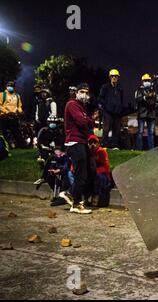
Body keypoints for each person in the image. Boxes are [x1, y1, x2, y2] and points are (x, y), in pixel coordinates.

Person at [59, 83, 98, 214]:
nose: (84, 95)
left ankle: (69, 193)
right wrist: (89, 119)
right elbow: (82, 122)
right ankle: (75, 203)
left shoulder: (82, 107)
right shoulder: (72, 104)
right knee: (81, 174)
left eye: (87, 92)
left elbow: (86, 123)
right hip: (74, 143)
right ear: (76, 92)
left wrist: (88, 120)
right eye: (82, 91)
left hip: (82, 142)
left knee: (88, 170)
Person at [98, 69, 124, 150]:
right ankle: (103, 145)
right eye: (112, 76)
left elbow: (121, 100)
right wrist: (105, 106)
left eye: (116, 76)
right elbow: (100, 98)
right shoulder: (105, 87)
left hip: (117, 113)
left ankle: (114, 146)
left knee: (116, 130)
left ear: (118, 77)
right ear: (110, 77)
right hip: (108, 112)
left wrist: (120, 109)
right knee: (106, 129)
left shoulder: (120, 88)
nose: (114, 78)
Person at [134, 74, 158, 150]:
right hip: (142, 114)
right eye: (145, 81)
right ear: (142, 82)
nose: (147, 82)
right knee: (140, 132)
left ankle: (151, 150)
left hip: (151, 114)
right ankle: (139, 149)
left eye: (148, 80)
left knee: (151, 133)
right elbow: (137, 99)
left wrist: (154, 103)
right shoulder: (139, 90)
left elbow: (157, 101)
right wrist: (145, 97)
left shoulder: (153, 91)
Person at [86, 135, 111, 207]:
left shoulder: (102, 151)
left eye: (94, 142)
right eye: (90, 143)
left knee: (98, 178)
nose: (92, 144)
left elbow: (106, 167)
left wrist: (95, 171)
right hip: (91, 174)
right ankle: (84, 198)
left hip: (102, 175)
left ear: (98, 143)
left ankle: (95, 197)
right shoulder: (87, 152)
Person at [0, 81, 25, 148]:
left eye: (11, 86)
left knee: (16, 131)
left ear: (14, 87)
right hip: (4, 116)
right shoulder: (2, 94)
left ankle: (21, 145)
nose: (10, 87)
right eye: (8, 86)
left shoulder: (17, 95)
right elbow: (0, 105)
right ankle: (6, 145)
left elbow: (19, 106)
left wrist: (20, 111)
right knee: (4, 131)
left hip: (14, 115)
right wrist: (7, 112)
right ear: (6, 86)